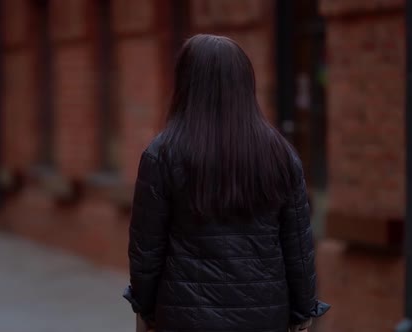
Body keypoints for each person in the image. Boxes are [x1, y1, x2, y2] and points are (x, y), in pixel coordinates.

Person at [123, 35, 330, 332]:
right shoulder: (280, 154)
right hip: (265, 316)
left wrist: (144, 308)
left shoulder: (162, 154)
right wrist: (303, 310)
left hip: (184, 317)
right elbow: (297, 246)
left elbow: (146, 250)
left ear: (186, 83)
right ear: (246, 84)